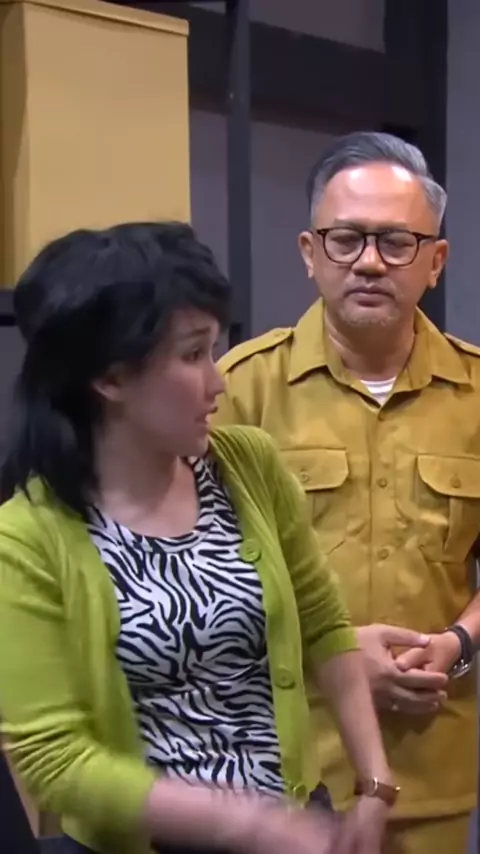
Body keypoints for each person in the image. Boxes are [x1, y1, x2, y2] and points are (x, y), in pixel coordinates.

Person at [0, 222, 393, 854]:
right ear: (111, 379)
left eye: (214, 350)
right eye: (192, 355)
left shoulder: (248, 467)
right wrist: (247, 824)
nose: (218, 382)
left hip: (296, 823)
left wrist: (374, 785)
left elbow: (324, 624)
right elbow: (56, 759)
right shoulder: (25, 539)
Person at [213, 131, 480, 854]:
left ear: (436, 262)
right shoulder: (237, 390)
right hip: (278, 774)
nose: (368, 261)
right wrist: (327, 653)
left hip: (430, 766)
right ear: (310, 252)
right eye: (345, 239)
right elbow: (186, 573)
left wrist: (458, 643)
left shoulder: (477, 393)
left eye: (396, 242)